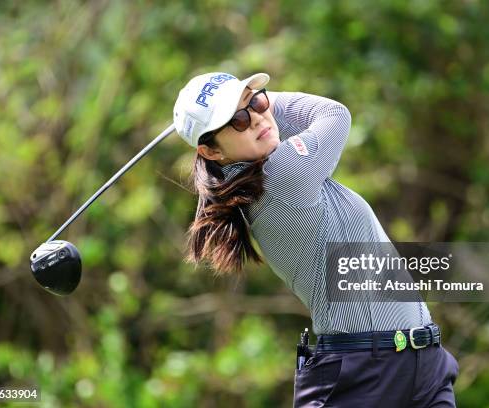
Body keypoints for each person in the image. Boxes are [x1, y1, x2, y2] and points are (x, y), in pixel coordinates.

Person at [172, 72, 459, 407]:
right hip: (364, 376)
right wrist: (265, 99)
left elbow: (276, 125)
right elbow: (335, 115)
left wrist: (244, 101)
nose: (255, 119)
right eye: (236, 120)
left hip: (423, 363)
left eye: (258, 101)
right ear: (211, 151)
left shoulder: (272, 171)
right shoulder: (280, 177)